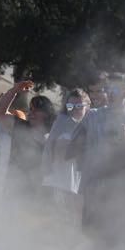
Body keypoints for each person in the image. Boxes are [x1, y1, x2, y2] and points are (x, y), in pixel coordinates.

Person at [66, 73, 125, 243]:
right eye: (107, 89)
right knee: (89, 238)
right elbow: (71, 150)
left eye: (115, 89)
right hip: (92, 189)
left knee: (115, 241)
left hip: (119, 193)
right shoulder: (92, 115)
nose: (109, 93)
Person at [0, 81, 56, 196]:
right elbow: (0, 112)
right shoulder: (21, 126)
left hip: (41, 191)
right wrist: (14, 91)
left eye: (35, 110)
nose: (30, 113)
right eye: (30, 109)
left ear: (46, 113)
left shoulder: (54, 133)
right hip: (14, 188)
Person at [41, 88, 88, 221]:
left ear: (87, 107)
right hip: (59, 182)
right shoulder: (62, 122)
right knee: (58, 221)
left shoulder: (89, 124)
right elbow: (56, 152)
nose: (74, 109)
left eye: (79, 106)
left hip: (74, 184)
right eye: (70, 106)